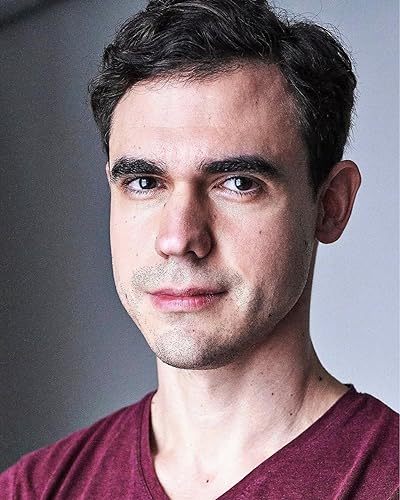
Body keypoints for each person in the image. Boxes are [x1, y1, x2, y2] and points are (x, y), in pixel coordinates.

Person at [1, 0, 398, 498]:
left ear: (331, 205)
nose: (178, 238)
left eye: (238, 182)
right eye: (145, 182)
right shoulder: (32, 490)